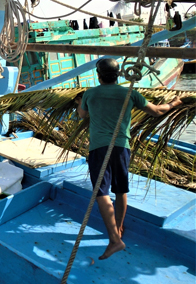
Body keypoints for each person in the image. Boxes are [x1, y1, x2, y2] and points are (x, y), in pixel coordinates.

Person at [76, 58, 182, 260]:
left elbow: (82, 115)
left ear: (98, 76)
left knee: (101, 191)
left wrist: (80, 103)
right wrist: (174, 103)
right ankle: (119, 226)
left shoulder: (90, 94)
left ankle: (115, 239)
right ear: (119, 75)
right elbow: (157, 112)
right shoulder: (130, 93)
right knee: (120, 190)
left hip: (99, 147)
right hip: (121, 147)